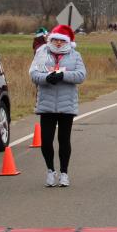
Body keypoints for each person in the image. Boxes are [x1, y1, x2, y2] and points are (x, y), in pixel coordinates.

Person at [29, 24, 86, 188]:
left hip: (66, 104)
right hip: (46, 104)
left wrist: (63, 75)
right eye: (55, 40)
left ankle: (64, 173)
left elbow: (81, 75)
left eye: (62, 40)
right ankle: (50, 170)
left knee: (64, 140)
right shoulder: (42, 53)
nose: (58, 43)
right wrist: (47, 78)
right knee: (46, 141)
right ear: (50, 39)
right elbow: (33, 74)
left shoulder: (75, 55)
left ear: (67, 42)